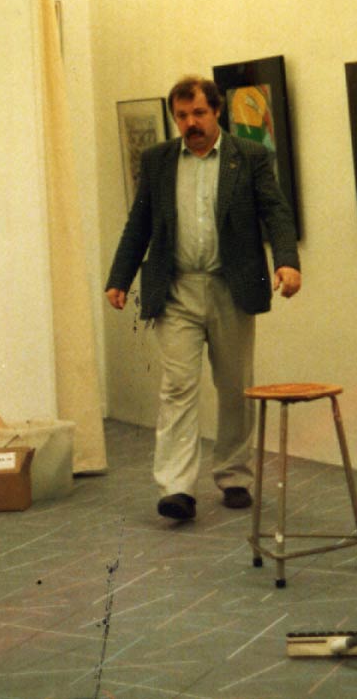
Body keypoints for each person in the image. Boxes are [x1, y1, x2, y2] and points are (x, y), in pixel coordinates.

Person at [105, 75, 301, 521]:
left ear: (216, 112)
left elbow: (275, 211)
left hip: (232, 287)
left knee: (234, 386)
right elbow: (139, 224)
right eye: (182, 116)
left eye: (198, 113)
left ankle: (234, 476)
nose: (190, 123)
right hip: (176, 289)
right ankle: (177, 487)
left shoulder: (248, 156)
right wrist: (120, 277)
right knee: (177, 387)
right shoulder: (158, 160)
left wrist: (287, 261)